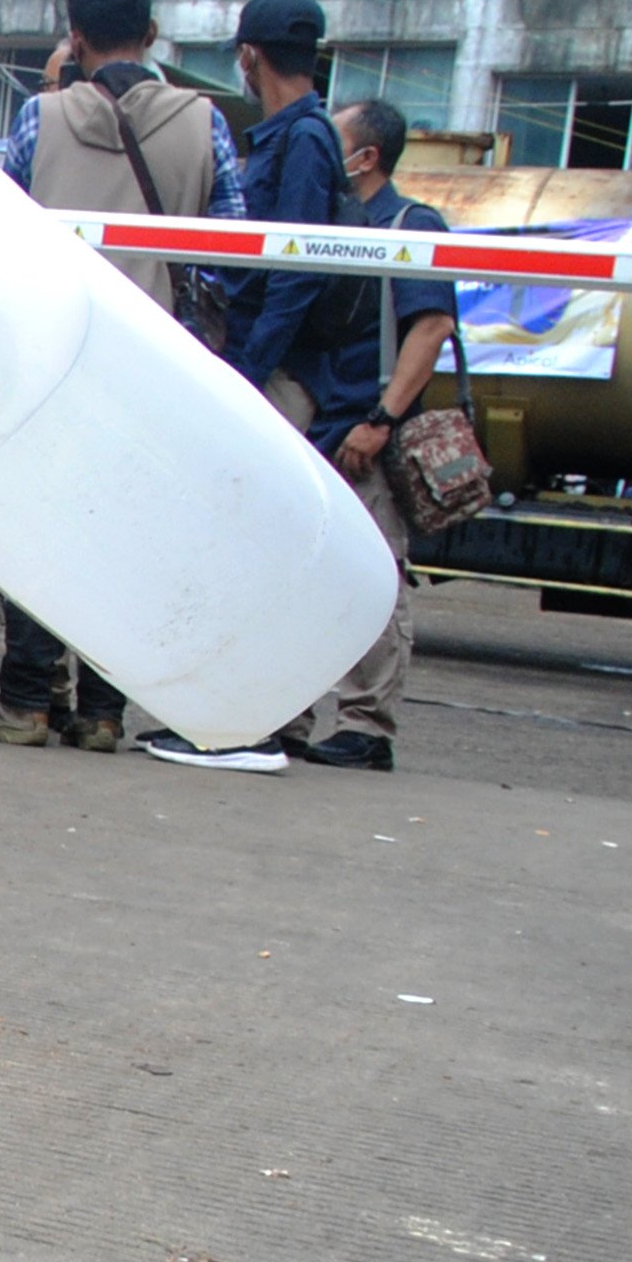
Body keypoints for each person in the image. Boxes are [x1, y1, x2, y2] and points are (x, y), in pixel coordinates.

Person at [0, 0, 247, 755]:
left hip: (56, 356)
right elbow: (233, 245)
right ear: (152, 35)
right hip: (159, 362)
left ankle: (25, 700)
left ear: (74, 36)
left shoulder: (40, 119)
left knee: (38, 527)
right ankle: (103, 710)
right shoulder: (206, 121)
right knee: (135, 535)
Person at [169, 94, 450, 775]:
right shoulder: (331, 221)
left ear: (366, 156)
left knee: (376, 573)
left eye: (337, 141)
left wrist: (382, 419)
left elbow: (432, 326)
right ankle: (290, 714)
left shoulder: (409, 224)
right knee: (301, 572)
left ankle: (365, 723)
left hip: (364, 424)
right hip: (323, 419)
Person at [136, 0, 349, 773]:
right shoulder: (301, 136)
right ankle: (273, 716)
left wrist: (249, 370)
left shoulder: (301, 143)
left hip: (280, 372)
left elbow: (291, 268)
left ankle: (246, 723)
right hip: (278, 364)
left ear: (249, 56)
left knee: (254, 544)